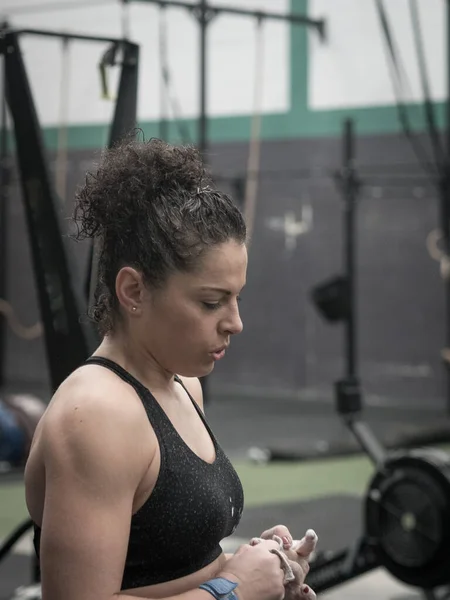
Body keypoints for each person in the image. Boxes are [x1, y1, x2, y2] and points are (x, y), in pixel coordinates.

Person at [24, 138, 317, 600]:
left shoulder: (184, 385)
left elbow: (171, 570)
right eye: (210, 302)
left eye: (236, 297)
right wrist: (232, 591)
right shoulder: (97, 416)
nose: (235, 323)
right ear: (134, 291)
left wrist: (260, 567)